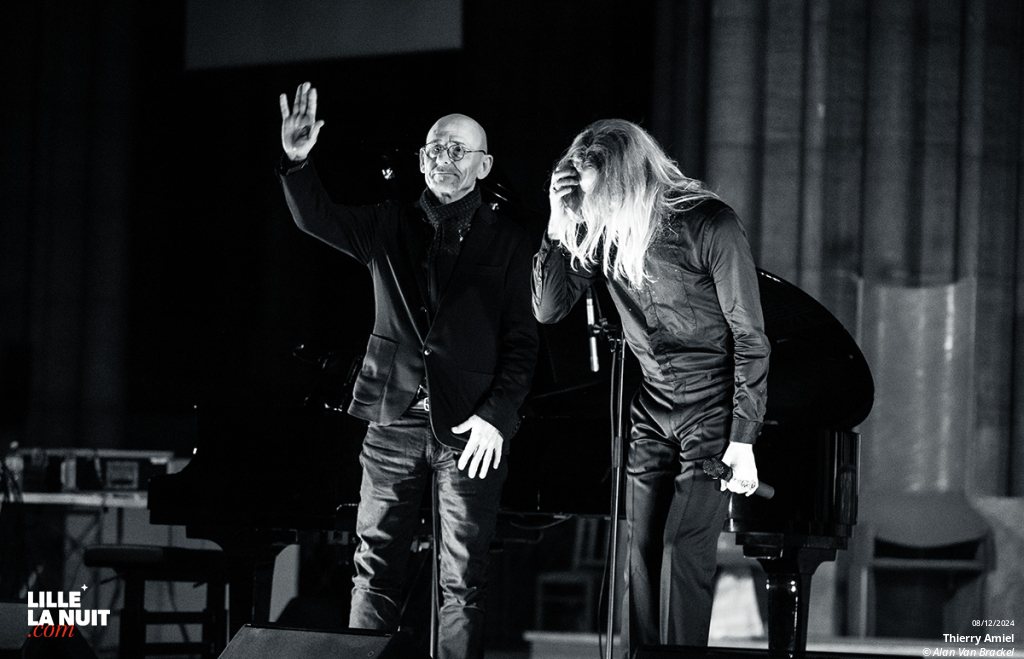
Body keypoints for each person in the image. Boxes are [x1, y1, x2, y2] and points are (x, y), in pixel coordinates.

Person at [277, 82, 538, 659]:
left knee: (462, 582)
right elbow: (316, 217)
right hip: (391, 419)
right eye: (435, 148)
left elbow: (523, 346)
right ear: (421, 159)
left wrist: (496, 418)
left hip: (471, 432)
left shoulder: (512, 242)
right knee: (373, 570)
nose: (443, 158)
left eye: (457, 150)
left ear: (483, 165)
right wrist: (297, 161)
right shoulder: (386, 224)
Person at [531, 119, 770, 652]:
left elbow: (751, 336)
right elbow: (548, 309)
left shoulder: (710, 223)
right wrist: (557, 221)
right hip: (651, 408)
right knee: (639, 554)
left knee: (682, 548)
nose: (592, 210)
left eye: (598, 194)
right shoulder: (604, 235)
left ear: (626, 181)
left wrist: (744, 438)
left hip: (712, 406)